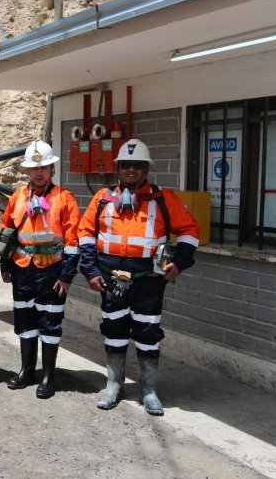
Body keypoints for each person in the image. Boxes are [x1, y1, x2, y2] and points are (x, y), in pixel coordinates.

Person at [78, 139, 200, 415]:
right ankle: (114, 385)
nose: (130, 170)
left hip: (149, 280)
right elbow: (84, 234)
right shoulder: (102, 198)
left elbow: (190, 231)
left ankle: (148, 390)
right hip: (110, 278)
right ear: (118, 168)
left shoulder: (164, 198)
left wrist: (179, 263)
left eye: (137, 165)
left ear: (146, 169)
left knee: (147, 333)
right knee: (114, 330)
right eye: (125, 165)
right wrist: (90, 270)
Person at [0, 140, 80, 398]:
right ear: (26, 171)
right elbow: (6, 230)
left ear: (52, 169)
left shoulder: (65, 198)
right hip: (23, 267)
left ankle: (48, 376)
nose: (39, 172)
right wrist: (4, 264)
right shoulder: (17, 197)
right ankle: (26, 370)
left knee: (50, 321)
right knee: (25, 319)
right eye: (34, 168)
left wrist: (67, 275)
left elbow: (73, 240)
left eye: (44, 167)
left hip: (53, 270)